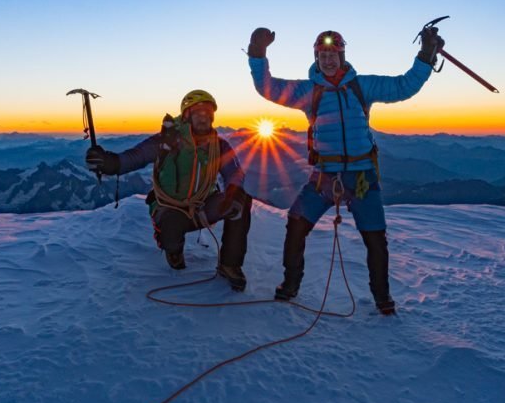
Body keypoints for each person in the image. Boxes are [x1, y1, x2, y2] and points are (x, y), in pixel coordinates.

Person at [247, 26, 443, 314]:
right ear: (316, 57)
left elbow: (404, 86)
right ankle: (290, 285)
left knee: (375, 239)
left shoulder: (361, 85)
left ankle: (382, 297)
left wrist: (426, 54)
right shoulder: (307, 90)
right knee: (296, 224)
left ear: (342, 56)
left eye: (333, 54)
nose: (328, 60)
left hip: (362, 175)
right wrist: (257, 52)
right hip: (324, 176)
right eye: (323, 55)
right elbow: (268, 88)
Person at [84, 89, 252, 291]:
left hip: (203, 206)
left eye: (208, 112)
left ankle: (230, 264)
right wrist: (109, 163)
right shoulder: (167, 140)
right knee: (172, 232)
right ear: (186, 115)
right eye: (198, 112)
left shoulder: (219, 145)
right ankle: (172, 247)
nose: (204, 116)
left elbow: (234, 171)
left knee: (241, 201)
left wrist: (234, 191)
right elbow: (136, 157)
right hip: (170, 207)